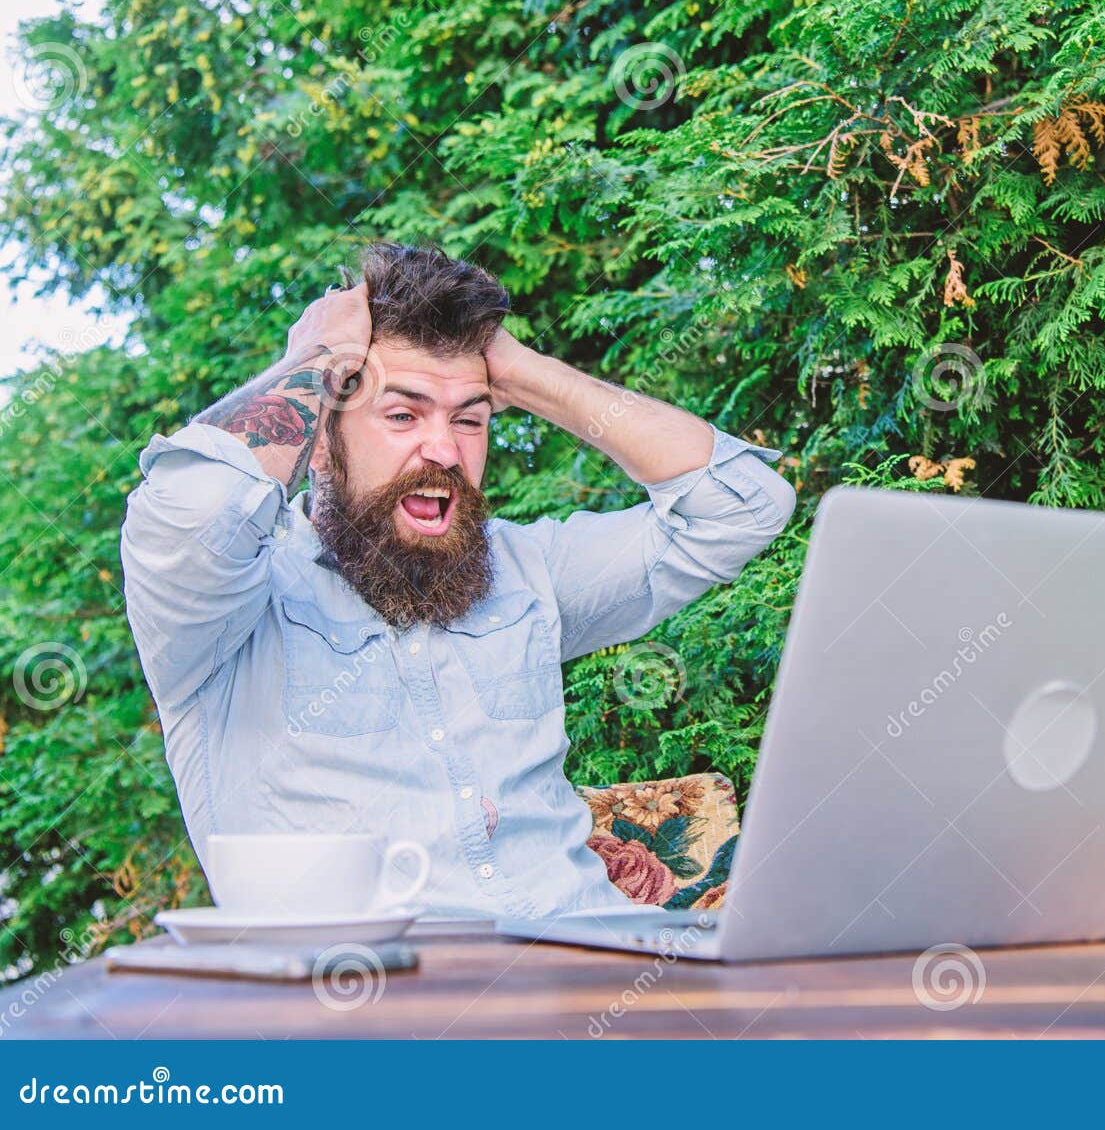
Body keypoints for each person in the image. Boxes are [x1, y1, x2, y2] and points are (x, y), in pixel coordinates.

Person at [119, 241, 796, 919]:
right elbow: (192, 514)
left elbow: (741, 506)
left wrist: (522, 373)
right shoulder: (225, 608)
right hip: (379, 1003)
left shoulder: (529, 570)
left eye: (470, 419)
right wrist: (318, 359)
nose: (444, 450)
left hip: (609, 962)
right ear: (320, 439)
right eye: (403, 415)